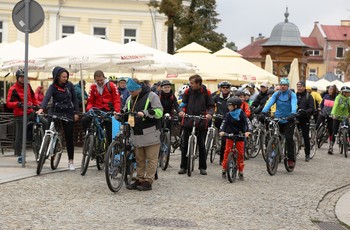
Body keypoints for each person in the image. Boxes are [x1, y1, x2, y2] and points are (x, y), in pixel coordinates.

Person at [124, 78, 163, 191]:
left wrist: (145, 113)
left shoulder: (152, 96)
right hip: (137, 133)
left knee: (151, 158)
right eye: (129, 91)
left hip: (151, 132)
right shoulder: (129, 98)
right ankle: (139, 179)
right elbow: (125, 109)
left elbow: (159, 111)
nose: (130, 93)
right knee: (139, 159)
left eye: (132, 91)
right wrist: (120, 114)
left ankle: (148, 181)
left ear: (138, 88)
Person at [37, 67, 79, 170]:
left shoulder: (70, 86)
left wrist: (76, 112)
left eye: (66, 76)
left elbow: (75, 99)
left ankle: (71, 161)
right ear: (57, 77)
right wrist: (42, 108)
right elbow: (47, 97)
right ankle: (44, 152)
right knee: (48, 131)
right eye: (63, 77)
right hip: (55, 111)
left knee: (69, 137)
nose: (66, 78)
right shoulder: (53, 87)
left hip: (68, 113)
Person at [178, 74, 214, 175]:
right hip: (188, 119)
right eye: (190, 83)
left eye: (192, 83)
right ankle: (183, 167)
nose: (190, 85)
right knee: (184, 144)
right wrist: (181, 111)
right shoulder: (187, 92)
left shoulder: (206, 92)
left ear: (198, 83)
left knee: (201, 145)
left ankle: (202, 167)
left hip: (201, 120)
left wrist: (209, 114)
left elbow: (211, 106)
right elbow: (183, 104)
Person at [261, 78, 298, 169]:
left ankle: (291, 159)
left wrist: (293, 113)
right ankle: (275, 152)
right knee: (275, 136)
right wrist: (263, 112)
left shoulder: (292, 95)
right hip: (278, 119)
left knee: (289, 138)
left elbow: (294, 104)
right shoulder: (276, 94)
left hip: (289, 119)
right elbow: (269, 103)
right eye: (281, 85)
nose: (283, 86)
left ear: (288, 86)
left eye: (285, 85)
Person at [6, 69, 39, 163]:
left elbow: (33, 98)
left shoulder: (28, 86)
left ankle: (42, 144)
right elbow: (8, 103)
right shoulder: (13, 89)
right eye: (21, 77)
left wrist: (37, 105)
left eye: (24, 77)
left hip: (30, 111)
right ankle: (19, 154)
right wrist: (18, 104)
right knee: (20, 134)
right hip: (20, 114)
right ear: (18, 78)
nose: (23, 79)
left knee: (43, 121)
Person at [83, 70, 121, 146]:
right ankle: (89, 136)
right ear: (95, 79)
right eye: (97, 81)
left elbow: (117, 100)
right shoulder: (93, 87)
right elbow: (90, 101)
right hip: (97, 110)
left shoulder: (111, 85)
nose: (99, 82)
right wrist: (89, 109)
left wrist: (117, 111)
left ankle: (109, 152)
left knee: (110, 132)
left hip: (109, 111)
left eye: (101, 80)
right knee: (84, 120)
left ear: (104, 77)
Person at [219, 96, 251, 180]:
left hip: (240, 136)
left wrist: (248, 131)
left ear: (235, 106)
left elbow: (248, 122)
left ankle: (241, 171)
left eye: (230, 105)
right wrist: (221, 131)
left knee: (240, 154)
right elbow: (224, 123)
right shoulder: (228, 114)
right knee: (227, 152)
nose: (228, 107)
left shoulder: (241, 113)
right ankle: (224, 169)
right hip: (230, 135)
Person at [213, 81, 233, 164]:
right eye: (223, 87)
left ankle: (222, 159)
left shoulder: (232, 98)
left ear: (229, 89)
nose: (225, 89)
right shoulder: (216, 97)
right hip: (217, 120)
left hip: (227, 123)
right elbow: (210, 105)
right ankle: (211, 144)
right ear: (220, 88)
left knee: (224, 142)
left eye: (227, 87)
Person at [295, 81, 314, 162]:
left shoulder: (308, 96)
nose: (299, 88)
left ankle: (307, 154)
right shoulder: (294, 96)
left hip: (304, 119)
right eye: (298, 86)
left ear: (304, 87)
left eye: (300, 86)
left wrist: (305, 112)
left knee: (305, 136)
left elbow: (312, 108)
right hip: (295, 118)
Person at [328, 86, 350, 154]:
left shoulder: (349, 99)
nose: (349, 94)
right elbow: (335, 105)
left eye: (349, 93)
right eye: (347, 93)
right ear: (343, 93)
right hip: (336, 116)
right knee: (334, 132)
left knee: (349, 130)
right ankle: (331, 147)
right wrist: (333, 114)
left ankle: (348, 143)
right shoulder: (338, 97)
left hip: (345, 116)